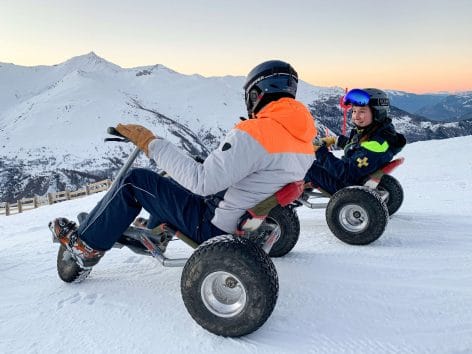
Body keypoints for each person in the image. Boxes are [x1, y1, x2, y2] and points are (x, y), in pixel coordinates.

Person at [49, 60, 317, 268]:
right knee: (171, 176)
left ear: (257, 94)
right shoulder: (303, 141)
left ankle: (86, 245)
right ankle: (153, 230)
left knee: (136, 181)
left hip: (213, 225)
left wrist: (152, 143)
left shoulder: (257, 132)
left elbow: (202, 183)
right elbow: (257, 177)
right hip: (243, 218)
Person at [305, 88, 406, 195]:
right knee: (314, 164)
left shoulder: (376, 145)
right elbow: (358, 148)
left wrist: (320, 152)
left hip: (346, 186)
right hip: (354, 177)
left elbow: (347, 173)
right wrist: (336, 140)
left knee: (306, 166)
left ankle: (292, 202)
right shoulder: (377, 133)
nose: (356, 116)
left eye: (362, 111)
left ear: (377, 113)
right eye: (354, 111)